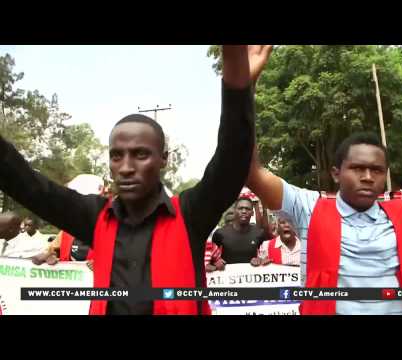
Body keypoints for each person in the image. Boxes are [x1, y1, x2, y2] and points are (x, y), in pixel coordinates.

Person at [0, 45, 273, 315]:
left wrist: (238, 83)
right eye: (116, 156)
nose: (126, 167)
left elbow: (233, 158)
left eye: (140, 154)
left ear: (164, 158)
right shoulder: (94, 218)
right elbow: (27, 185)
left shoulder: (191, 214)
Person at [247, 130, 402, 315]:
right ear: (336, 173)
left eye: (376, 170)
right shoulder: (308, 208)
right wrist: (244, 89)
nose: (368, 177)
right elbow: (252, 172)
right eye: (358, 168)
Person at [212, 196, 268, 264]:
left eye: (247, 209)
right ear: (234, 211)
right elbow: (210, 259)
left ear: (252, 213)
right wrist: (216, 263)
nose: (244, 211)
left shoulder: (259, 233)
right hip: (227, 274)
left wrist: (260, 259)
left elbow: (264, 256)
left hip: (251, 273)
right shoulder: (220, 233)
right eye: (240, 208)